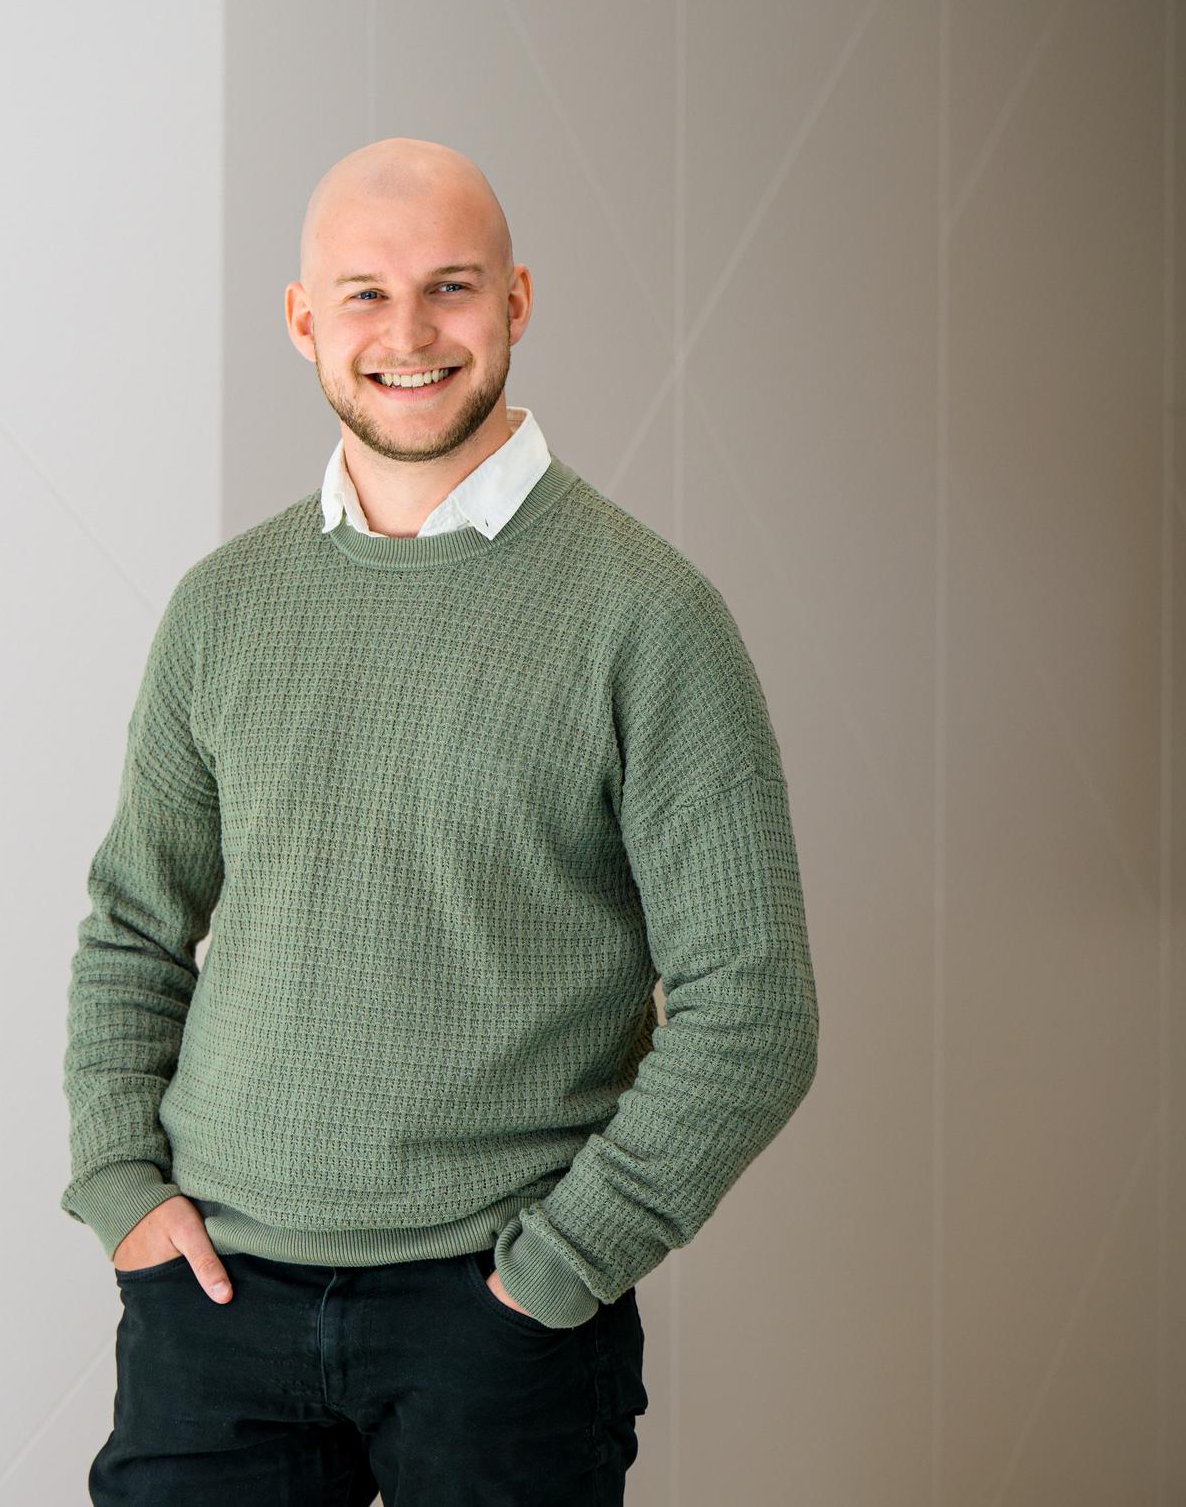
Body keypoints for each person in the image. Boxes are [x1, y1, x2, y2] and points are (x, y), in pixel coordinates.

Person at [59, 136, 819, 1505]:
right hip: (215, 1306)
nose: (409, 334)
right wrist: (122, 1182)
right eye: (362, 294)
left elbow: (754, 1004)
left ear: (518, 301)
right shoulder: (223, 607)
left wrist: (562, 1266)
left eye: (451, 289)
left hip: (500, 1323)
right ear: (304, 321)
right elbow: (133, 928)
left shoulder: (647, 618)